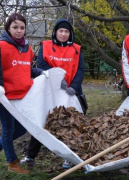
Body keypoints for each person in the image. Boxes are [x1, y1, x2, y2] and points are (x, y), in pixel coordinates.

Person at [20, 19, 85, 169]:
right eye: (60, 31)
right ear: (55, 32)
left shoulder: (77, 49)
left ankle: (69, 157)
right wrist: (58, 80)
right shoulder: (46, 46)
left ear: (70, 34)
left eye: (66, 31)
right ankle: (30, 157)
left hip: (70, 93)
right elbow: (42, 66)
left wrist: (74, 87)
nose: (63, 34)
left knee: (71, 124)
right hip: (50, 92)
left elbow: (80, 70)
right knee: (43, 122)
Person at [0, 13, 44, 174]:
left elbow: (26, 69)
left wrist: (42, 72)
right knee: (8, 129)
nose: (19, 31)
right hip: (4, 96)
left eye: (22, 28)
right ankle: (12, 163)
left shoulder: (27, 48)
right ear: (8, 28)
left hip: (21, 97)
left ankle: (4, 148)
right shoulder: (2, 46)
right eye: (15, 27)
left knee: (21, 129)